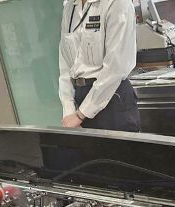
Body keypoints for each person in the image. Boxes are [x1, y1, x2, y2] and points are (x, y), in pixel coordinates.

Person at [58, 0, 140, 132]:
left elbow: (116, 67)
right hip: (79, 100)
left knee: (116, 152)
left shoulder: (116, 3)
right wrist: (69, 111)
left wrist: (81, 114)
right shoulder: (69, 8)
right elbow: (65, 66)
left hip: (112, 98)